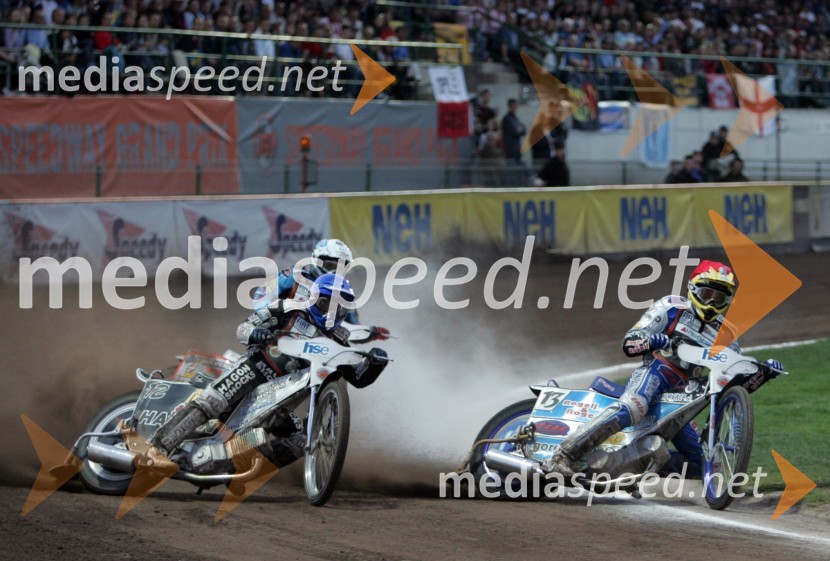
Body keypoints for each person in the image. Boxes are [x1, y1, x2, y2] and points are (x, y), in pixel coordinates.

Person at [548, 261, 784, 478]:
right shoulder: (671, 306)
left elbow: (731, 388)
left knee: (705, 465)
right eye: (707, 295)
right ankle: (565, 454)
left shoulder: (728, 333)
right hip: (655, 372)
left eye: (719, 298)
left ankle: (629, 466)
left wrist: (760, 375)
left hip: (685, 396)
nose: (712, 303)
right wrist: (650, 341)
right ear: (693, 288)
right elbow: (629, 343)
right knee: (634, 407)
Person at [142, 274, 390, 471]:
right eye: (327, 303)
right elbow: (244, 328)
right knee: (213, 401)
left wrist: (376, 364)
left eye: (339, 307)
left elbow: (357, 378)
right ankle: (157, 448)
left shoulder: (339, 341)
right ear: (314, 298)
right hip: (254, 370)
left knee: (302, 439)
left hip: (280, 398)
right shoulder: (288, 308)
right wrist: (256, 333)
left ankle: (237, 467)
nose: (331, 312)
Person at [267, 238, 388, 342]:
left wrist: (371, 333)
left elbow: (352, 329)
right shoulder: (295, 276)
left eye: (340, 269)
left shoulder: (344, 293)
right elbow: (263, 295)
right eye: (330, 266)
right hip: (277, 337)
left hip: (315, 349)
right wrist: (263, 326)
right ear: (316, 260)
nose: (334, 273)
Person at [501, 98, 526, 164]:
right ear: (509, 107)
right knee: (511, 167)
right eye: (513, 106)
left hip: (517, 148)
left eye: (516, 106)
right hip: (510, 149)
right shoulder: (507, 118)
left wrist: (519, 129)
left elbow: (524, 130)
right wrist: (519, 129)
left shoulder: (516, 118)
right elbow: (514, 132)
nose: (515, 108)